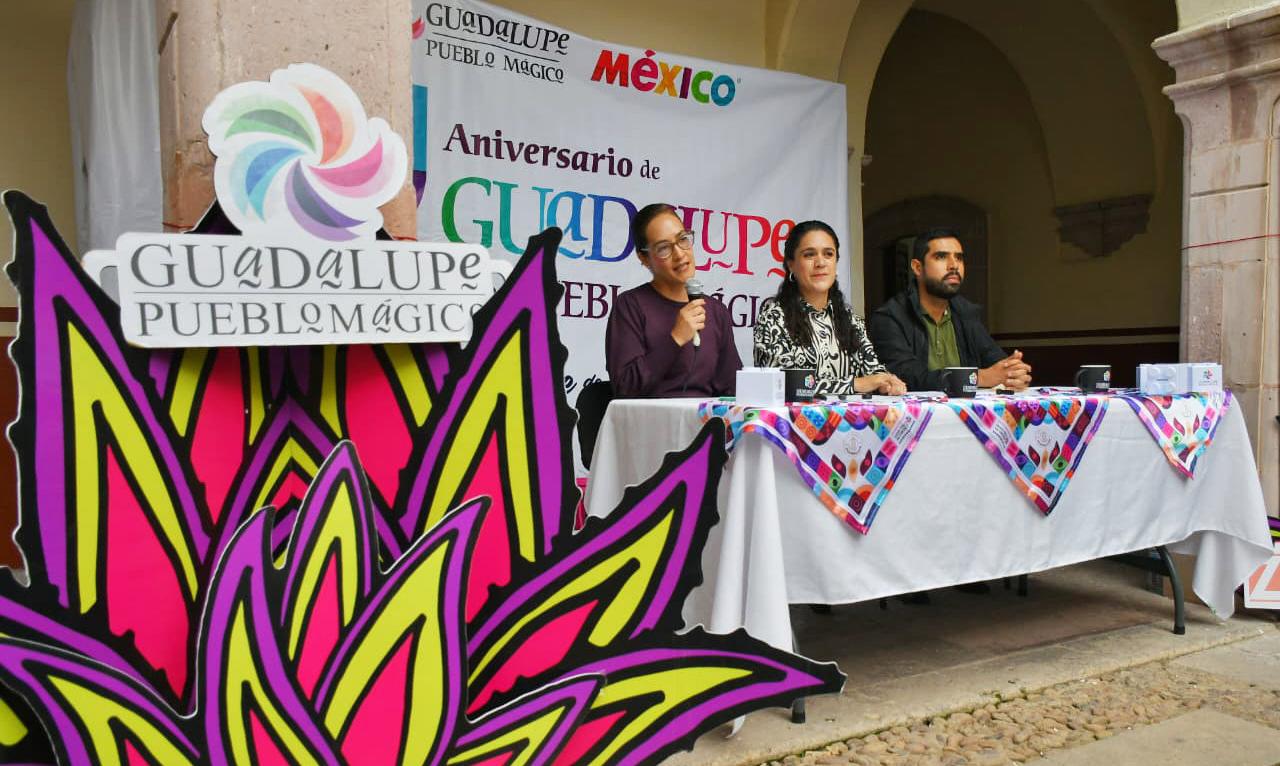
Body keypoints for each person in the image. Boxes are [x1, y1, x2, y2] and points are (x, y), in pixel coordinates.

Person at [868, 227, 1031, 392]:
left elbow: (995, 361)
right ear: (917, 267)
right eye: (941, 257)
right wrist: (978, 378)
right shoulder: (890, 317)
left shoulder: (966, 313)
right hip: (915, 409)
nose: (954, 265)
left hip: (967, 408)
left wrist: (1013, 373)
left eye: (959, 258)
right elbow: (906, 376)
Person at [753, 220, 905, 396]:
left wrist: (886, 382)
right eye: (809, 255)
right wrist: (854, 384)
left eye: (828, 254)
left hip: (850, 415)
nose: (820, 263)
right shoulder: (773, 317)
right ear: (791, 264)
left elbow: (873, 371)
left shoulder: (850, 319)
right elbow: (781, 383)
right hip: (794, 415)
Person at [605, 203, 742, 397]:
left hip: (706, 415)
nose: (679, 254)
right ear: (644, 258)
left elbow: (733, 388)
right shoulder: (630, 306)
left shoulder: (716, 311)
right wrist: (675, 338)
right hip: (650, 416)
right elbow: (625, 387)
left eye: (683, 239)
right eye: (663, 248)